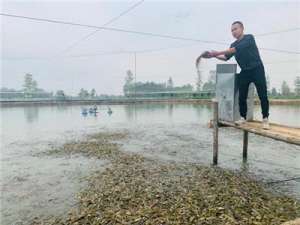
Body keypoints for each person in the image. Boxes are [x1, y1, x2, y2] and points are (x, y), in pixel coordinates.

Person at [200, 21, 270, 129]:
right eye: (232, 30)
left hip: (257, 69)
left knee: (263, 95)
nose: (233, 32)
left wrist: (216, 52)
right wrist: (213, 56)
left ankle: (265, 119)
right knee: (242, 96)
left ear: (242, 29)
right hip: (245, 71)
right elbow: (226, 57)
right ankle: (243, 118)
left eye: (235, 29)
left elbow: (235, 50)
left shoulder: (249, 38)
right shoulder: (233, 44)